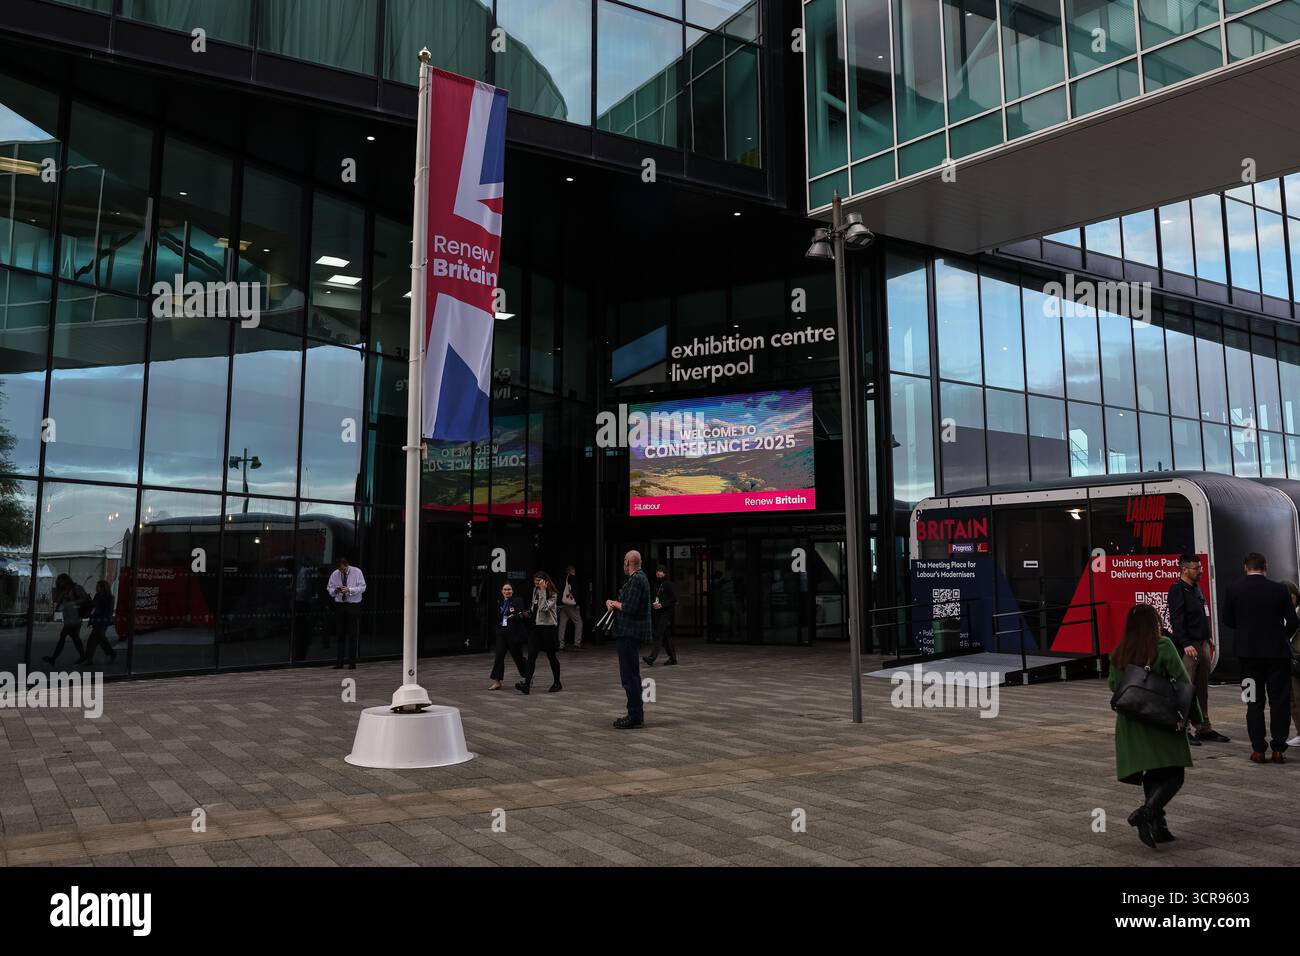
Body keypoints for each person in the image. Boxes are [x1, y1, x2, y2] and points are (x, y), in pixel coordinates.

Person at [1108, 604, 1201, 849]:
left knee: (1153, 773)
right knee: (1174, 774)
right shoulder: (1163, 646)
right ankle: (1145, 814)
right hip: (1161, 719)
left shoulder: (1119, 651)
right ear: (1154, 624)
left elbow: (1113, 685)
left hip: (1132, 724)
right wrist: (1196, 717)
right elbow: (1183, 683)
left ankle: (1159, 828)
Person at [1221, 552, 1299, 764]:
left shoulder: (1234, 589)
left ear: (1245, 567)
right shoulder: (1280, 589)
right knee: (1279, 701)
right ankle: (1278, 749)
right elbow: (1292, 620)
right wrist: (1281, 635)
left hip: (1247, 657)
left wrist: (1246, 630)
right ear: (1266, 567)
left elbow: (1227, 619)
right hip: (1277, 656)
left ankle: (1258, 749)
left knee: (1252, 701)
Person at [1166, 554, 1229, 746]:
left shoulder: (1196, 589)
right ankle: (1181, 728)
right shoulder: (1177, 590)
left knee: (1202, 689)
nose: (1200, 571)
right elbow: (1177, 620)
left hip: (1201, 643)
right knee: (1185, 688)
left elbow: (1201, 614)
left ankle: (1203, 727)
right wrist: (1186, 643)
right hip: (1189, 647)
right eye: (1196, 568)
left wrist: (1207, 636)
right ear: (1184, 570)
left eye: (1200, 568)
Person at [607, 550, 651, 729]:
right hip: (631, 632)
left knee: (629, 676)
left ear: (628, 562)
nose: (623, 565)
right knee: (632, 674)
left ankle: (634, 715)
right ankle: (635, 713)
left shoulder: (637, 579)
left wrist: (614, 603)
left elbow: (630, 607)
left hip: (629, 632)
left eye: (624, 562)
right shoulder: (640, 578)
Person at [518, 571, 561, 694]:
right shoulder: (535, 590)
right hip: (536, 627)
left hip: (548, 627)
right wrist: (527, 613)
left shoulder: (553, 593)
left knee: (551, 656)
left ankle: (557, 682)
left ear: (545, 581)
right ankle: (526, 685)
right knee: (531, 656)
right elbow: (535, 606)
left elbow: (543, 608)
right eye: (535, 581)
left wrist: (543, 590)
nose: (537, 583)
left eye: (539, 581)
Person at [327, 556, 366, 670]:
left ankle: (352, 662)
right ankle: (339, 662)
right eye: (340, 570)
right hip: (340, 604)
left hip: (353, 604)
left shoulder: (357, 572)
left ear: (347, 565)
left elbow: (362, 587)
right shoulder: (335, 574)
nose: (341, 571)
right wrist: (335, 590)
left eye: (343, 569)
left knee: (352, 633)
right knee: (340, 633)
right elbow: (329, 588)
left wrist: (349, 590)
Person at [489, 582, 528, 691]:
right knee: (499, 657)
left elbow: (521, 614)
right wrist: (498, 629)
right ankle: (497, 681)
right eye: (505, 589)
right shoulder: (500, 602)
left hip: (513, 634)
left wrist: (513, 616)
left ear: (513, 590)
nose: (507, 591)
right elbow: (499, 617)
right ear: (502, 591)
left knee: (518, 658)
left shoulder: (517, 600)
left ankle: (528, 675)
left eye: (509, 589)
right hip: (502, 633)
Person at [44, 574, 88, 666]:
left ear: (66, 580)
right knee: (74, 638)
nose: (61, 583)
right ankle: (83, 656)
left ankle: (54, 658)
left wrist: (73, 602)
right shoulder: (63, 591)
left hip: (75, 617)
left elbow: (85, 599)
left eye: (62, 581)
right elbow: (57, 601)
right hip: (68, 617)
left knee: (65, 636)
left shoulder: (76, 588)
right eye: (59, 582)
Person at [643, 563, 678, 667]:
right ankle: (673, 658)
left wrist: (662, 605)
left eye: (661, 571)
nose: (658, 572)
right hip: (659, 614)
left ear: (665, 573)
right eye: (657, 571)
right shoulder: (656, 585)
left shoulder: (668, 584)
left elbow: (674, 600)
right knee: (666, 637)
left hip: (666, 614)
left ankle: (652, 658)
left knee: (658, 635)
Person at [82, 580, 117, 667]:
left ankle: (89, 659)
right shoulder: (97, 596)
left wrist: (103, 618)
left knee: (94, 639)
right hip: (96, 620)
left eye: (98, 586)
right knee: (99, 639)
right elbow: (93, 606)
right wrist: (89, 601)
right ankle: (110, 653)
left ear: (103, 587)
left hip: (103, 621)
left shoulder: (110, 598)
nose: (96, 588)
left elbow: (109, 612)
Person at [1283, 580, 1300, 748]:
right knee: (1293, 699)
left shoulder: (1297, 612)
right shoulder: (1283, 613)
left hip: (1297, 658)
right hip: (1289, 660)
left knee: (1298, 696)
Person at [557, 565, 584, 651]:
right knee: (579, 622)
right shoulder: (573, 578)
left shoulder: (561, 579)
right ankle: (577, 643)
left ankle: (561, 644)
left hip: (562, 604)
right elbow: (575, 590)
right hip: (571, 604)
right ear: (572, 571)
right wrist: (577, 603)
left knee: (562, 624)